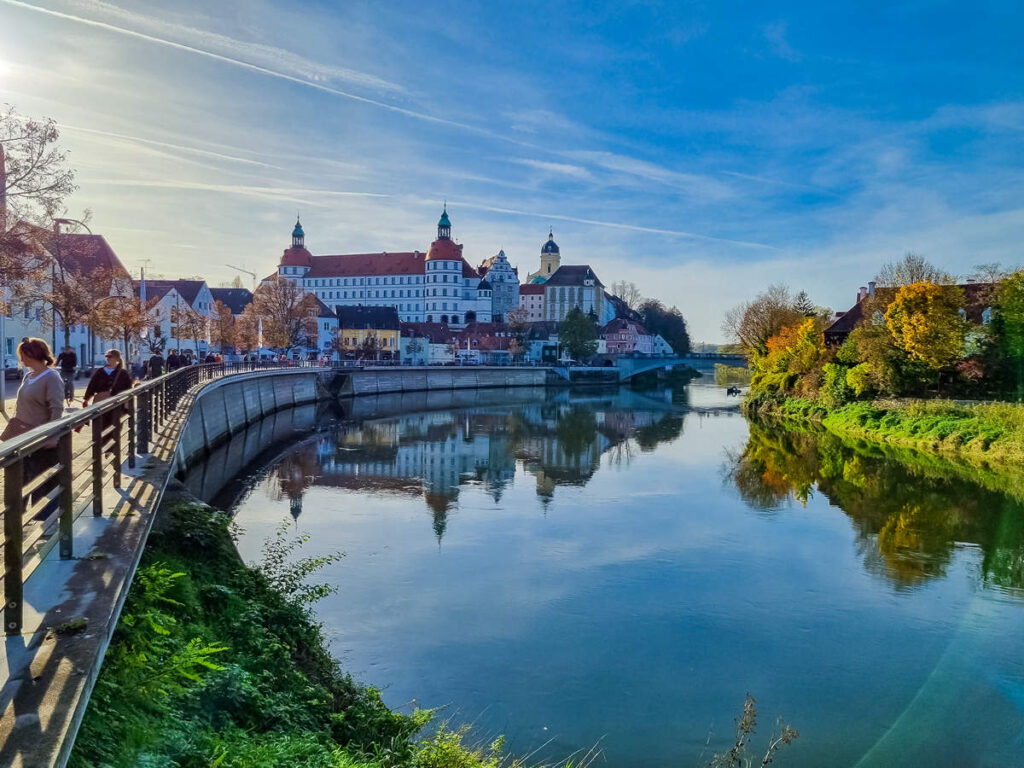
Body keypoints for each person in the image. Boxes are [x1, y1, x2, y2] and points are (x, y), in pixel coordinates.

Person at [1, 339, 64, 517]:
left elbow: (56, 408)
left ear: (32, 354)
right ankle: (16, 523)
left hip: (40, 440)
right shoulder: (29, 375)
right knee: (18, 483)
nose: (21, 359)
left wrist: (52, 436)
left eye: (22, 355)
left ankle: (45, 526)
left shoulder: (51, 377)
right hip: (22, 438)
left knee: (41, 484)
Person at [83, 349, 133, 449]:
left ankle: (112, 449)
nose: (107, 358)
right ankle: (103, 448)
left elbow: (128, 389)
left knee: (114, 426)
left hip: (117, 405)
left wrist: (127, 404)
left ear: (117, 358)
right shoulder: (100, 372)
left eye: (110, 356)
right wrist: (86, 399)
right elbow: (92, 386)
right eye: (106, 356)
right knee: (101, 426)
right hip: (101, 404)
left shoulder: (123, 373)